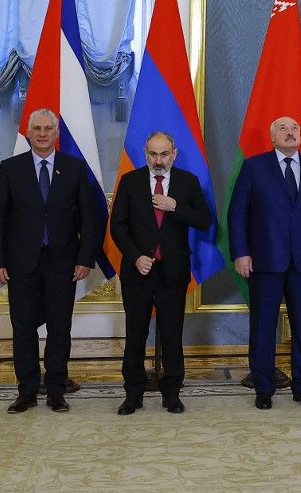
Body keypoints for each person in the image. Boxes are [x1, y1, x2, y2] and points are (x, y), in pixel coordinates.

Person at [228, 116, 301, 410]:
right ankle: (264, 388)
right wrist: (241, 253)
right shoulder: (254, 166)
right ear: (272, 136)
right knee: (263, 326)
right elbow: (237, 213)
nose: (290, 133)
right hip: (264, 261)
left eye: (295, 128)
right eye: (283, 128)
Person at [0, 108, 97, 414]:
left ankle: (56, 390)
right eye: (37, 128)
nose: (43, 133)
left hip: (63, 263)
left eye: (48, 128)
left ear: (57, 133)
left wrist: (85, 257)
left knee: (60, 329)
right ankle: (27, 391)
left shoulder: (74, 168)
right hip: (21, 263)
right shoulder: (11, 168)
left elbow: (89, 219)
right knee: (23, 329)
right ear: (28, 132)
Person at [109, 131, 213, 415]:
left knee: (171, 335)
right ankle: (133, 394)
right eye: (153, 154)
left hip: (173, 272)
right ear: (145, 153)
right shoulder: (130, 182)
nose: (158, 160)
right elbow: (117, 226)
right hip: (138, 271)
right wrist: (136, 256)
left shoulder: (187, 182)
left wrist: (175, 206)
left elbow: (204, 220)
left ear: (174, 154)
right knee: (135, 334)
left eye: (164, 154)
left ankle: (172, 394)